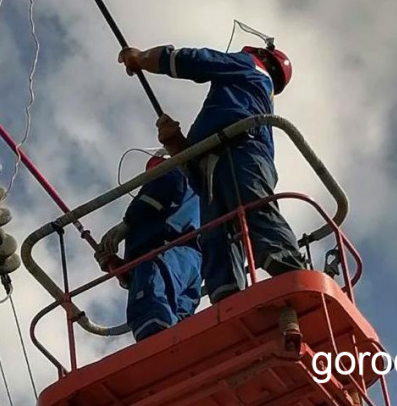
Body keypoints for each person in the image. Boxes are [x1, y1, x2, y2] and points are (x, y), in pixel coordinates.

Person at [118, 43, 306, 304]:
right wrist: (176, 143)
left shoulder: (252, 68)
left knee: (255, 211)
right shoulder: (239, 97)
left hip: (240, 151)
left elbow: (196, 60)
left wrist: (142, 58)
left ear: (263, 57)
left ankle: (292, 274)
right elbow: (193, 164)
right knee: (217, 233)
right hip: (220, 160)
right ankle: (227, 298)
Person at [95, 152, 202, 341]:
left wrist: (126, 224)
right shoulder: (196, 192)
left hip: (164, 252)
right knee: (178, 314)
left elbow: (152, 201)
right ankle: (179, 340)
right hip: (189, 261)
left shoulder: (170, 172)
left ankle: (155, 342)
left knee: (151, 303)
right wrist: (121, 268)